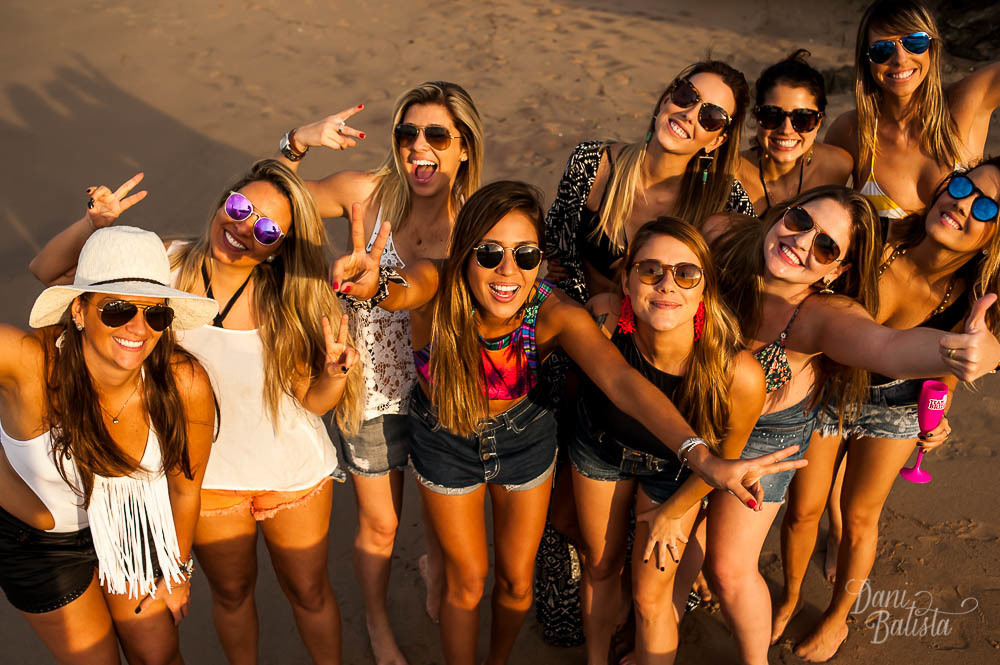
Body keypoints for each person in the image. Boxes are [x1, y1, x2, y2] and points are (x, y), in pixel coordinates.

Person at [331, 180, 811, 665]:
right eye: (490, 252)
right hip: (444, 440)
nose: (507, 271)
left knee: (517, 583)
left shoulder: (554, 312)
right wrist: (374, 285)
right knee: (467, 580)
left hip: (523, 440)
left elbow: (621, 382)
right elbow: (398, 288)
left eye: (525, 255)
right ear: (463, 253)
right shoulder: (437, 286)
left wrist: (700, 456)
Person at [30, 160, 362, 665]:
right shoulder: (165, 265)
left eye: (268, 229)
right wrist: (95, 227)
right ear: (224, 199)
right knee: (231, 595)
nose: (244, 228)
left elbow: (309, 402)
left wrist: (334, 376)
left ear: (280, 247)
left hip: (293, 477)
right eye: (240, 207)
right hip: (207, 481)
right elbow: (49, 274)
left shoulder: (289, 298)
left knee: (311, 594)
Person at [700, 184, 1000, 665]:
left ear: (837, 270)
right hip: (825, 391)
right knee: (799, 512)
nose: (803, 241)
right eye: (800, 222)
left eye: (825, 246)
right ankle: (789, 598)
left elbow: (888, 348)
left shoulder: (966, 292)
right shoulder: (879, 248)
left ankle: (835, 615)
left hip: (881, 403)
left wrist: (974, 354)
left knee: (853, 519)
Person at [273, 80, 484, 663]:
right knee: (383, 525)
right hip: (370, 390)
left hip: (446, 394)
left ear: (464, 146)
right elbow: (260, 203)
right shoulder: (366, 193)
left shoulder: (477, 220)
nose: (419, 146)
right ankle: (376, 620)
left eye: (437, 134)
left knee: (444, 515)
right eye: (407, 133)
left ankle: (434, 568)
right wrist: (297, 141)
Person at [1, 225, 217, 664]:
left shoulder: (182, 381)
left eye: (156, 314)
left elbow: (185, 488)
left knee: (158, 655)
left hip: (130, 521)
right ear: (79, 311)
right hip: (41, 547)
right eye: (117, 309)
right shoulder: (27, 361)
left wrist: (177, 571)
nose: (139, 328)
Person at [569, 217, 765, 665]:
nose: (666, 285)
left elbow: (724, 460)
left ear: (703, 289)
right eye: (650, 270)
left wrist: (675, 514)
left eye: (686, 274)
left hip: (678, 476)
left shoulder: (737, 374)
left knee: (650, 598)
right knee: (599, 568)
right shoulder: (601, 320)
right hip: (600, 450)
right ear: (626, 278)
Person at [544, 59, 754, 303]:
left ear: (717, 140)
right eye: (687, 96)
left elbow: (743, 284)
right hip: (581, 319)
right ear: (667, 98)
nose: (689, 115)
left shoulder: (726, 201)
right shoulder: (592, 163)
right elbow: (557, 245)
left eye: (711, 117)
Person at [825, 0, 1000, 220]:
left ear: (932, 47)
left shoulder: (966, 102)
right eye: (882, 49)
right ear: (866, 60)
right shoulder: (852, 131)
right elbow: (820, 214)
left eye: (914, 42)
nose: (900, 59)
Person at [738, 50, 854, 216]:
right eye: (772, 115)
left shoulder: (839, 166)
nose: (786, 130)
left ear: (819, 121)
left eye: (803, 119)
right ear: (756, 115)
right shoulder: (731, 172)